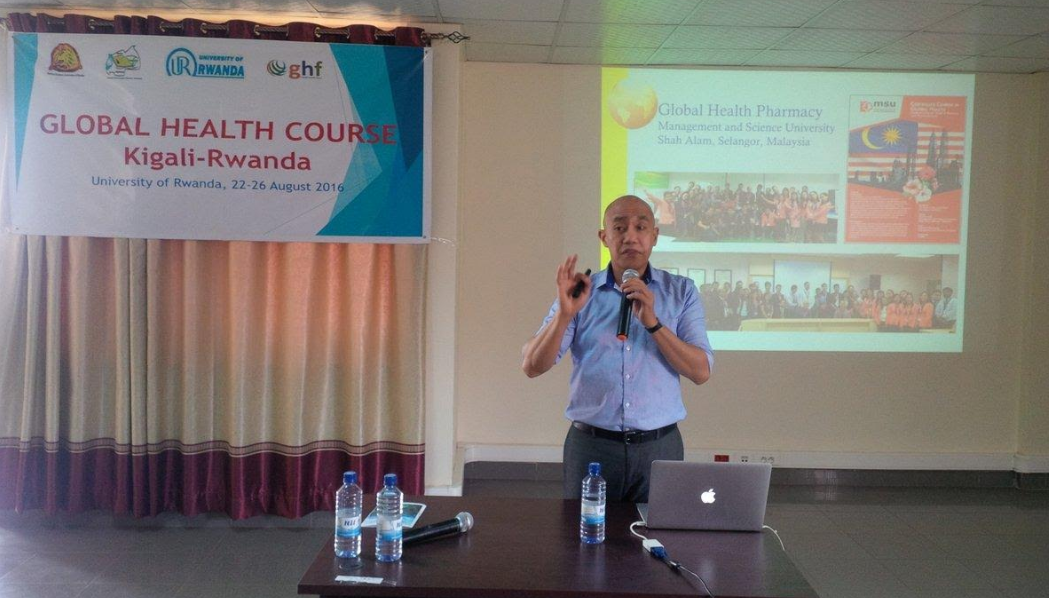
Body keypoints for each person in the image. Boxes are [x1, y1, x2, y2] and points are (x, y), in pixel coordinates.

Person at [521, 195, 714, 503]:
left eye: (641, 227)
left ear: (655, 236)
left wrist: (653, 323)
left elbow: (701, 371)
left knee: (657, 541)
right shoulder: (580, 293)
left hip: (659, 447)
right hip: (591, 446)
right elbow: (532, 365)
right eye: (620, 227)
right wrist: (564, 315)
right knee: (584, 543)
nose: (630, 236)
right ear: (604, 237)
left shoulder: (681, 292)